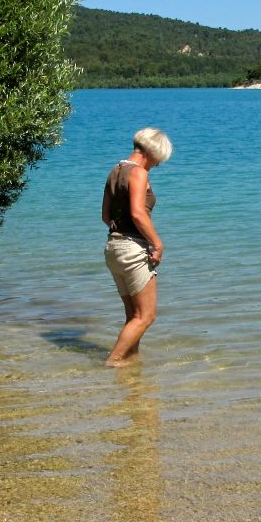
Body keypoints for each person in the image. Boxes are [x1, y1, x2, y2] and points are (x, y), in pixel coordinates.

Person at [102, 127, 172, 365]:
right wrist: (157, 243)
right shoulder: (138, 173)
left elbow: (105, 216)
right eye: (158, 160)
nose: (158, 165)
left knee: (133, 316)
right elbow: (138, 213)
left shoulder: (114, 171)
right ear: (151, 151)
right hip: (133, 249)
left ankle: (131, 365)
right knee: (146, 316)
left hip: (113, 248)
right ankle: (113, 362)